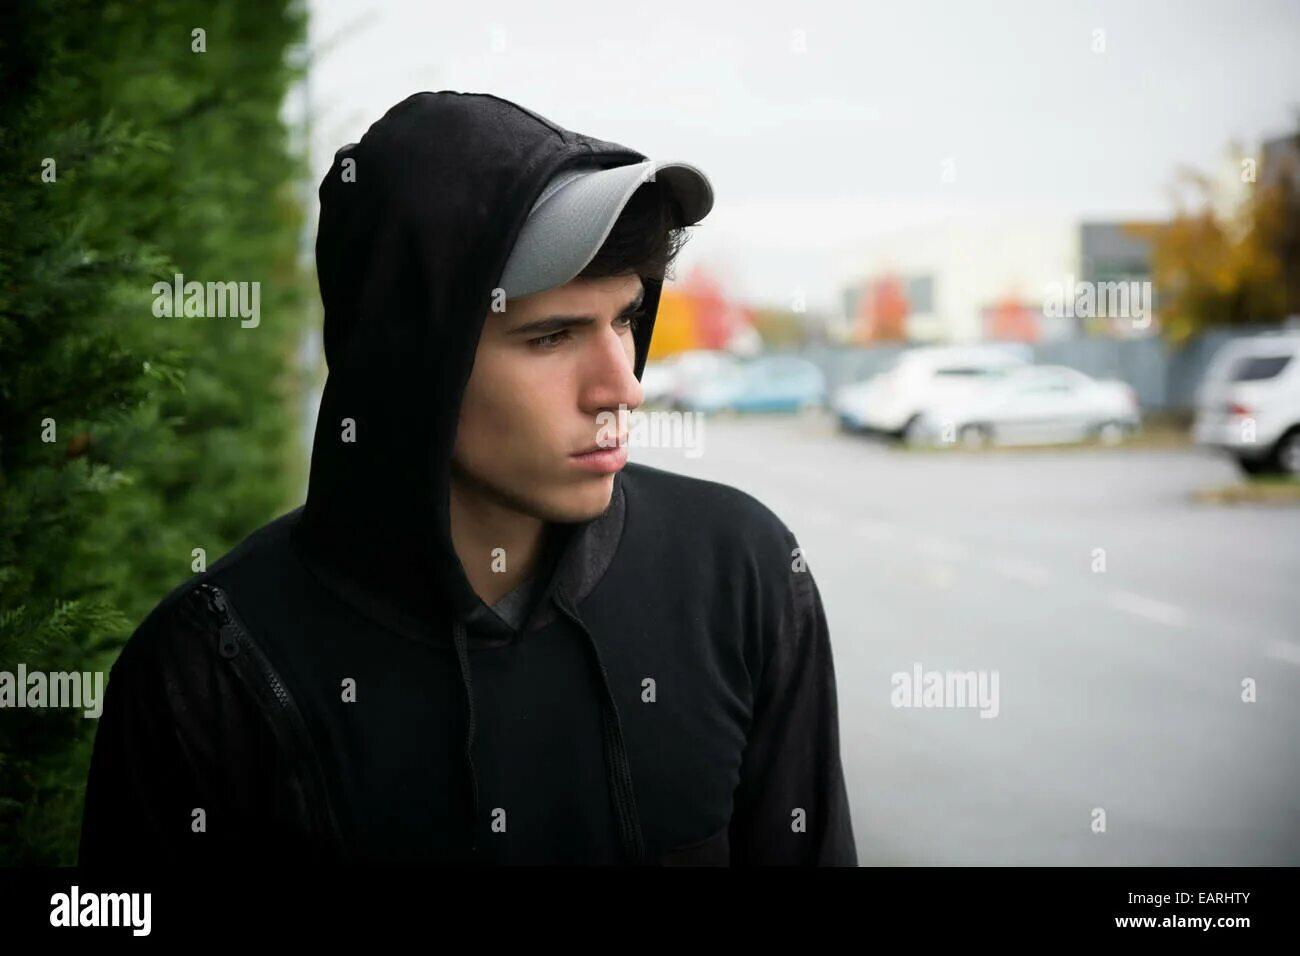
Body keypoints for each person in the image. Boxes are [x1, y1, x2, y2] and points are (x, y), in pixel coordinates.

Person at [78, 91, 857, 866]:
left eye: (625, 318)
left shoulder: (738, 571)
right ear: (408, 363)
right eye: (551, 336)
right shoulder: (214, 666)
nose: (622, 387)